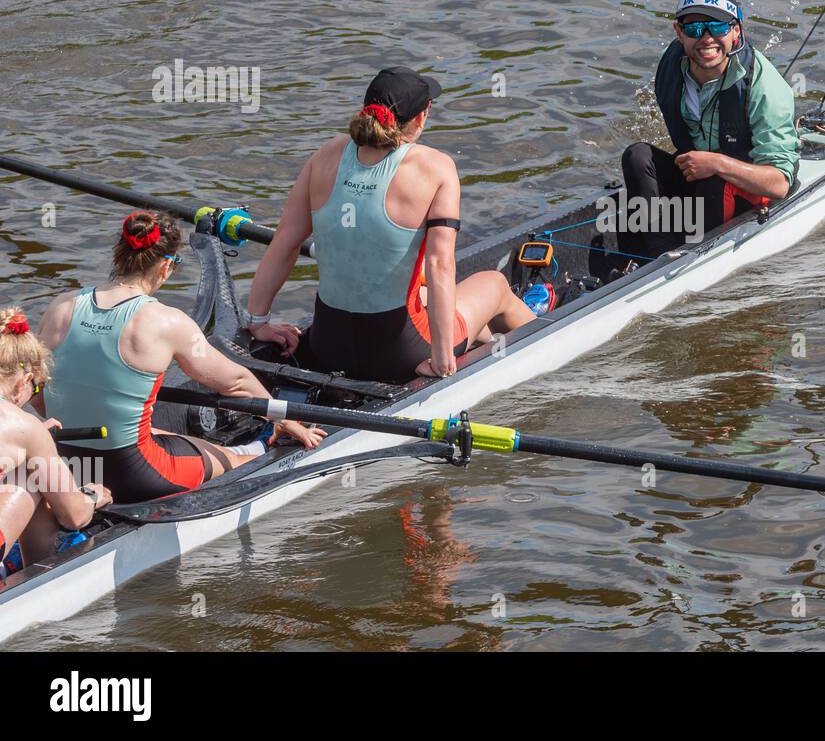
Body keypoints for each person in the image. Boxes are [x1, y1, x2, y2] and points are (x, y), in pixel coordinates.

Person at [246, 65, 535, 382]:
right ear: (422, 117)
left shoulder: (324, 156)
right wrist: (440, 360)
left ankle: (482, 335)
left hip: (327, 348)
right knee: (493, 284)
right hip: (405, 356)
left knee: (428, 296)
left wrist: (258, 321)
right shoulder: (436, 168)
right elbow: (440, 265)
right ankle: (549, 335)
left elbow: (285, 242)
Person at [37, 213, 325, 505]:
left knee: (168, 436)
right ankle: (258, 450)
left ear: (118, 254)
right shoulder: (166, 321)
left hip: (68, 465)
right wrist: (289, 422)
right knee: (224, 459)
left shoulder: (62, 306)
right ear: (165, 267)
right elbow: (237, 383)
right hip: (135, 475)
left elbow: (38, 394)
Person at [621, 0, 799, 259]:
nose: (706, 39)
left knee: (715, 179)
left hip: (743, 191)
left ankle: (690, 256)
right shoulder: (671, 66)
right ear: (678, 32)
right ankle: (654, 255)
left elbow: (779, 184)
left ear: (736, 31)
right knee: (637, 156)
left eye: (718, 27)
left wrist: (716, 163)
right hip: (700, 184)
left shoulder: (765, 87)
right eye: (693, 28)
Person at [0, 307, 112, 578]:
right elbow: (74, 516)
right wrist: (93, 495)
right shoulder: (23, 426)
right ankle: (34, 581)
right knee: (36, 475)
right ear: (23, 381)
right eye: (35, 388)